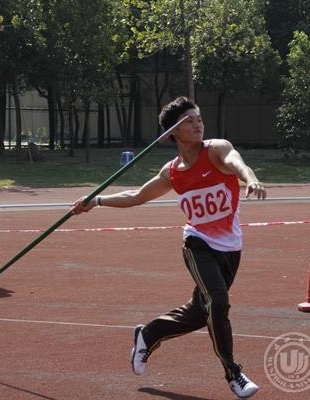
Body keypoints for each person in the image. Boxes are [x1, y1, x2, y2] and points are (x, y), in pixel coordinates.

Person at [71, 96, 265, 399]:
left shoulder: (217, 150)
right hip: (197, 243)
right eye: (189, 121)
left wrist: (250, 179)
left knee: (200, 313)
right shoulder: (172, 172)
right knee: (218, 302)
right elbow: (137, 196)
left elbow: (237, 163)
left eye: (199, 118)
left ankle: (148, 334)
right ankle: (233, 374)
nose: (198, 124)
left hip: (230, 247)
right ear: (172, 132)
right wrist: (95, 201)